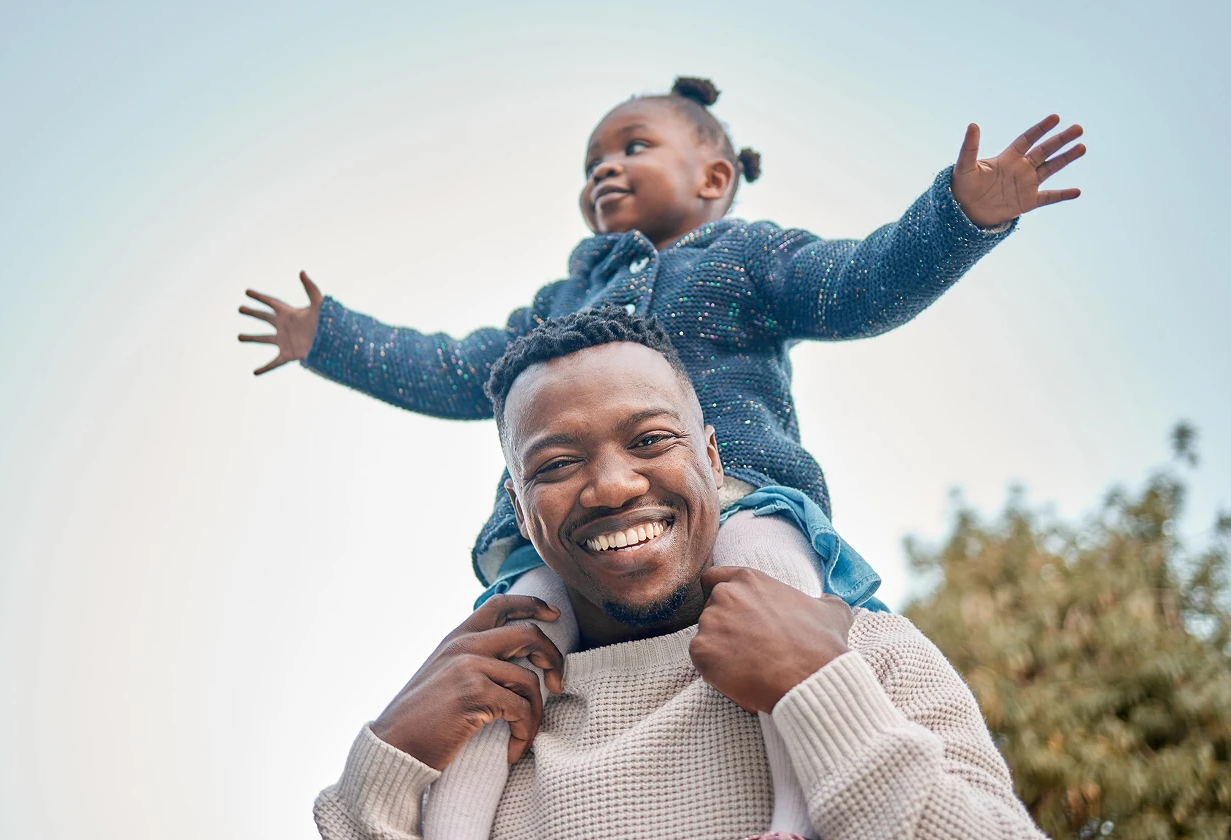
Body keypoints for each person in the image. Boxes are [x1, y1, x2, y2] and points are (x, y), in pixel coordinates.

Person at [237, 77, 1086, 608]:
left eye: (632, 147)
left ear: (714, 179)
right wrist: (334, 339)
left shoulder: (746, 257)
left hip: (737, 496)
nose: (603, 169)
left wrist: (962, 218)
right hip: (569, 533)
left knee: (773, 589)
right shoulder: (564, 304)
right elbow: (462, 370)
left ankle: (797, 809)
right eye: (591, 161)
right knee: (501, 644)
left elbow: (859, 284)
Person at [313, 310, 1047, 840]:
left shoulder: (869, 656)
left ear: (715, 461)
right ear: (518, 508)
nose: (611, 487)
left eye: (651, 440)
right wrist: (387, 761)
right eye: (557, 465)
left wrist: (820, 692)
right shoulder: (479, 728)